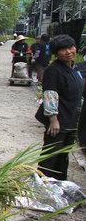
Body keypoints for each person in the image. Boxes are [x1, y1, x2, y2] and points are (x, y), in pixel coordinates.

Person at [35, 34, 83, 181]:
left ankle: (59, 184)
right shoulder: (54, 70)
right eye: (63, 49)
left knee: (63, 156)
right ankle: (42, 184)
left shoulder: (73, 68)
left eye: (70, 47)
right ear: (56, 53)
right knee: (51, 156)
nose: (68, 51)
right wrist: (53, 120)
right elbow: (49, 94)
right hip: (58, 122)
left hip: (70, 120)